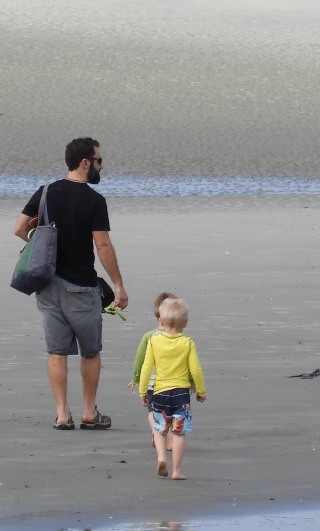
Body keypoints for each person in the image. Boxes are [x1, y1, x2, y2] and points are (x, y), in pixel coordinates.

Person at [14, 137, 129, 431]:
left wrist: (36, 238)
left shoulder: (46, 192)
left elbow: (18, 229)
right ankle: (89, 412)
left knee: (56, 351)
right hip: (81, 286)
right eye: (99, 160)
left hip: (47, 284)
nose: (101, 165)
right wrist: (118, 284)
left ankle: (62, 414)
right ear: (85, 163)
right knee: (90, 351)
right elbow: (102, 246)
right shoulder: (93, 200)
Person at [139, 297, 206, 480]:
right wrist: (200, 391)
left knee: (160, 428)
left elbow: (146, 368)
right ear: (185, 323)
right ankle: (176, 470)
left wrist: (143, 390)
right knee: (178, 432)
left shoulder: (154, 342)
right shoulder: (188, 343)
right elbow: (196, 369)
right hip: (181, 394)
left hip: (160, 391)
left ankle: (161, 457)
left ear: (161, 321)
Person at [129, 291, 179, 452]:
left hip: (151, 384)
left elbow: (140, 359)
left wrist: (136, 379)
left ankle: (156, 431)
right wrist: (191, 381)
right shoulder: (180, 338)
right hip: (174, 384)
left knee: (153, 411)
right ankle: (170, 440)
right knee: (171, 412)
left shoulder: (149, 336)